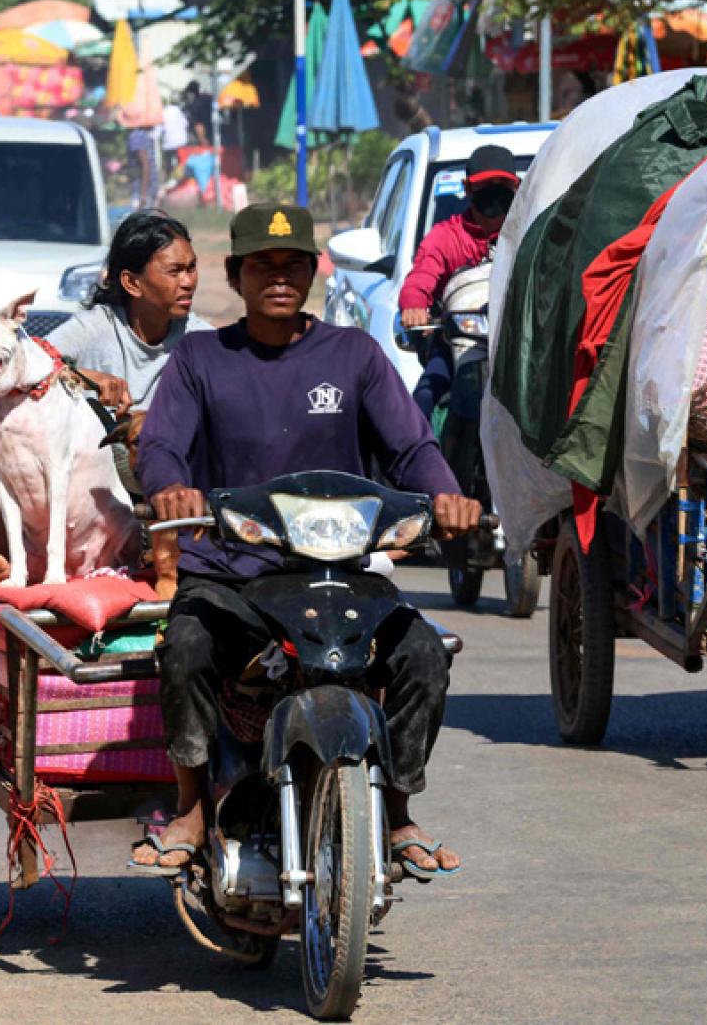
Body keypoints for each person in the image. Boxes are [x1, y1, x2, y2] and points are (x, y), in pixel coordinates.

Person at [133, 203, 482, 878]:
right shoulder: (202, 358)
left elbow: (410, 446)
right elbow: (163, 446)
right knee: (185, 644)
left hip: (338, 575)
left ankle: (400, 809)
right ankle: (191, 806)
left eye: (293, 263)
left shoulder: (355, 355)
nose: (279, 277)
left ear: (314, 272)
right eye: (262, 265)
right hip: (232, 576)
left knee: (422, 655)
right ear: (235, 275)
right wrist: (171, 488)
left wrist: (445, 494)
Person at [397, 144, 520, 418]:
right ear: (467, 189)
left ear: (517, 187)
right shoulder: (445, 237)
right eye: (486, 185)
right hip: (455, 342)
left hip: (521, 342)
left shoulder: (530, 233)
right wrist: (414, 305)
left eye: (503, 185)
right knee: (423, 399)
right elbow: (420, 277)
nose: (495, 191)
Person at [47, 209, 209, 415]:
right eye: (174, 271)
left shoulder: (200, 340)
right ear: (132, 283)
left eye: (191, 268)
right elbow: (25, 367)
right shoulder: (94, 328)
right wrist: (84, 377)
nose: (188, 282)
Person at [183, 80, 214, 146]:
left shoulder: (194, 106)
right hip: (214, 128)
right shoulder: (208, 98)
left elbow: (198, 124)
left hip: (203, 134)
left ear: (191, 93)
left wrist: (202, 139)